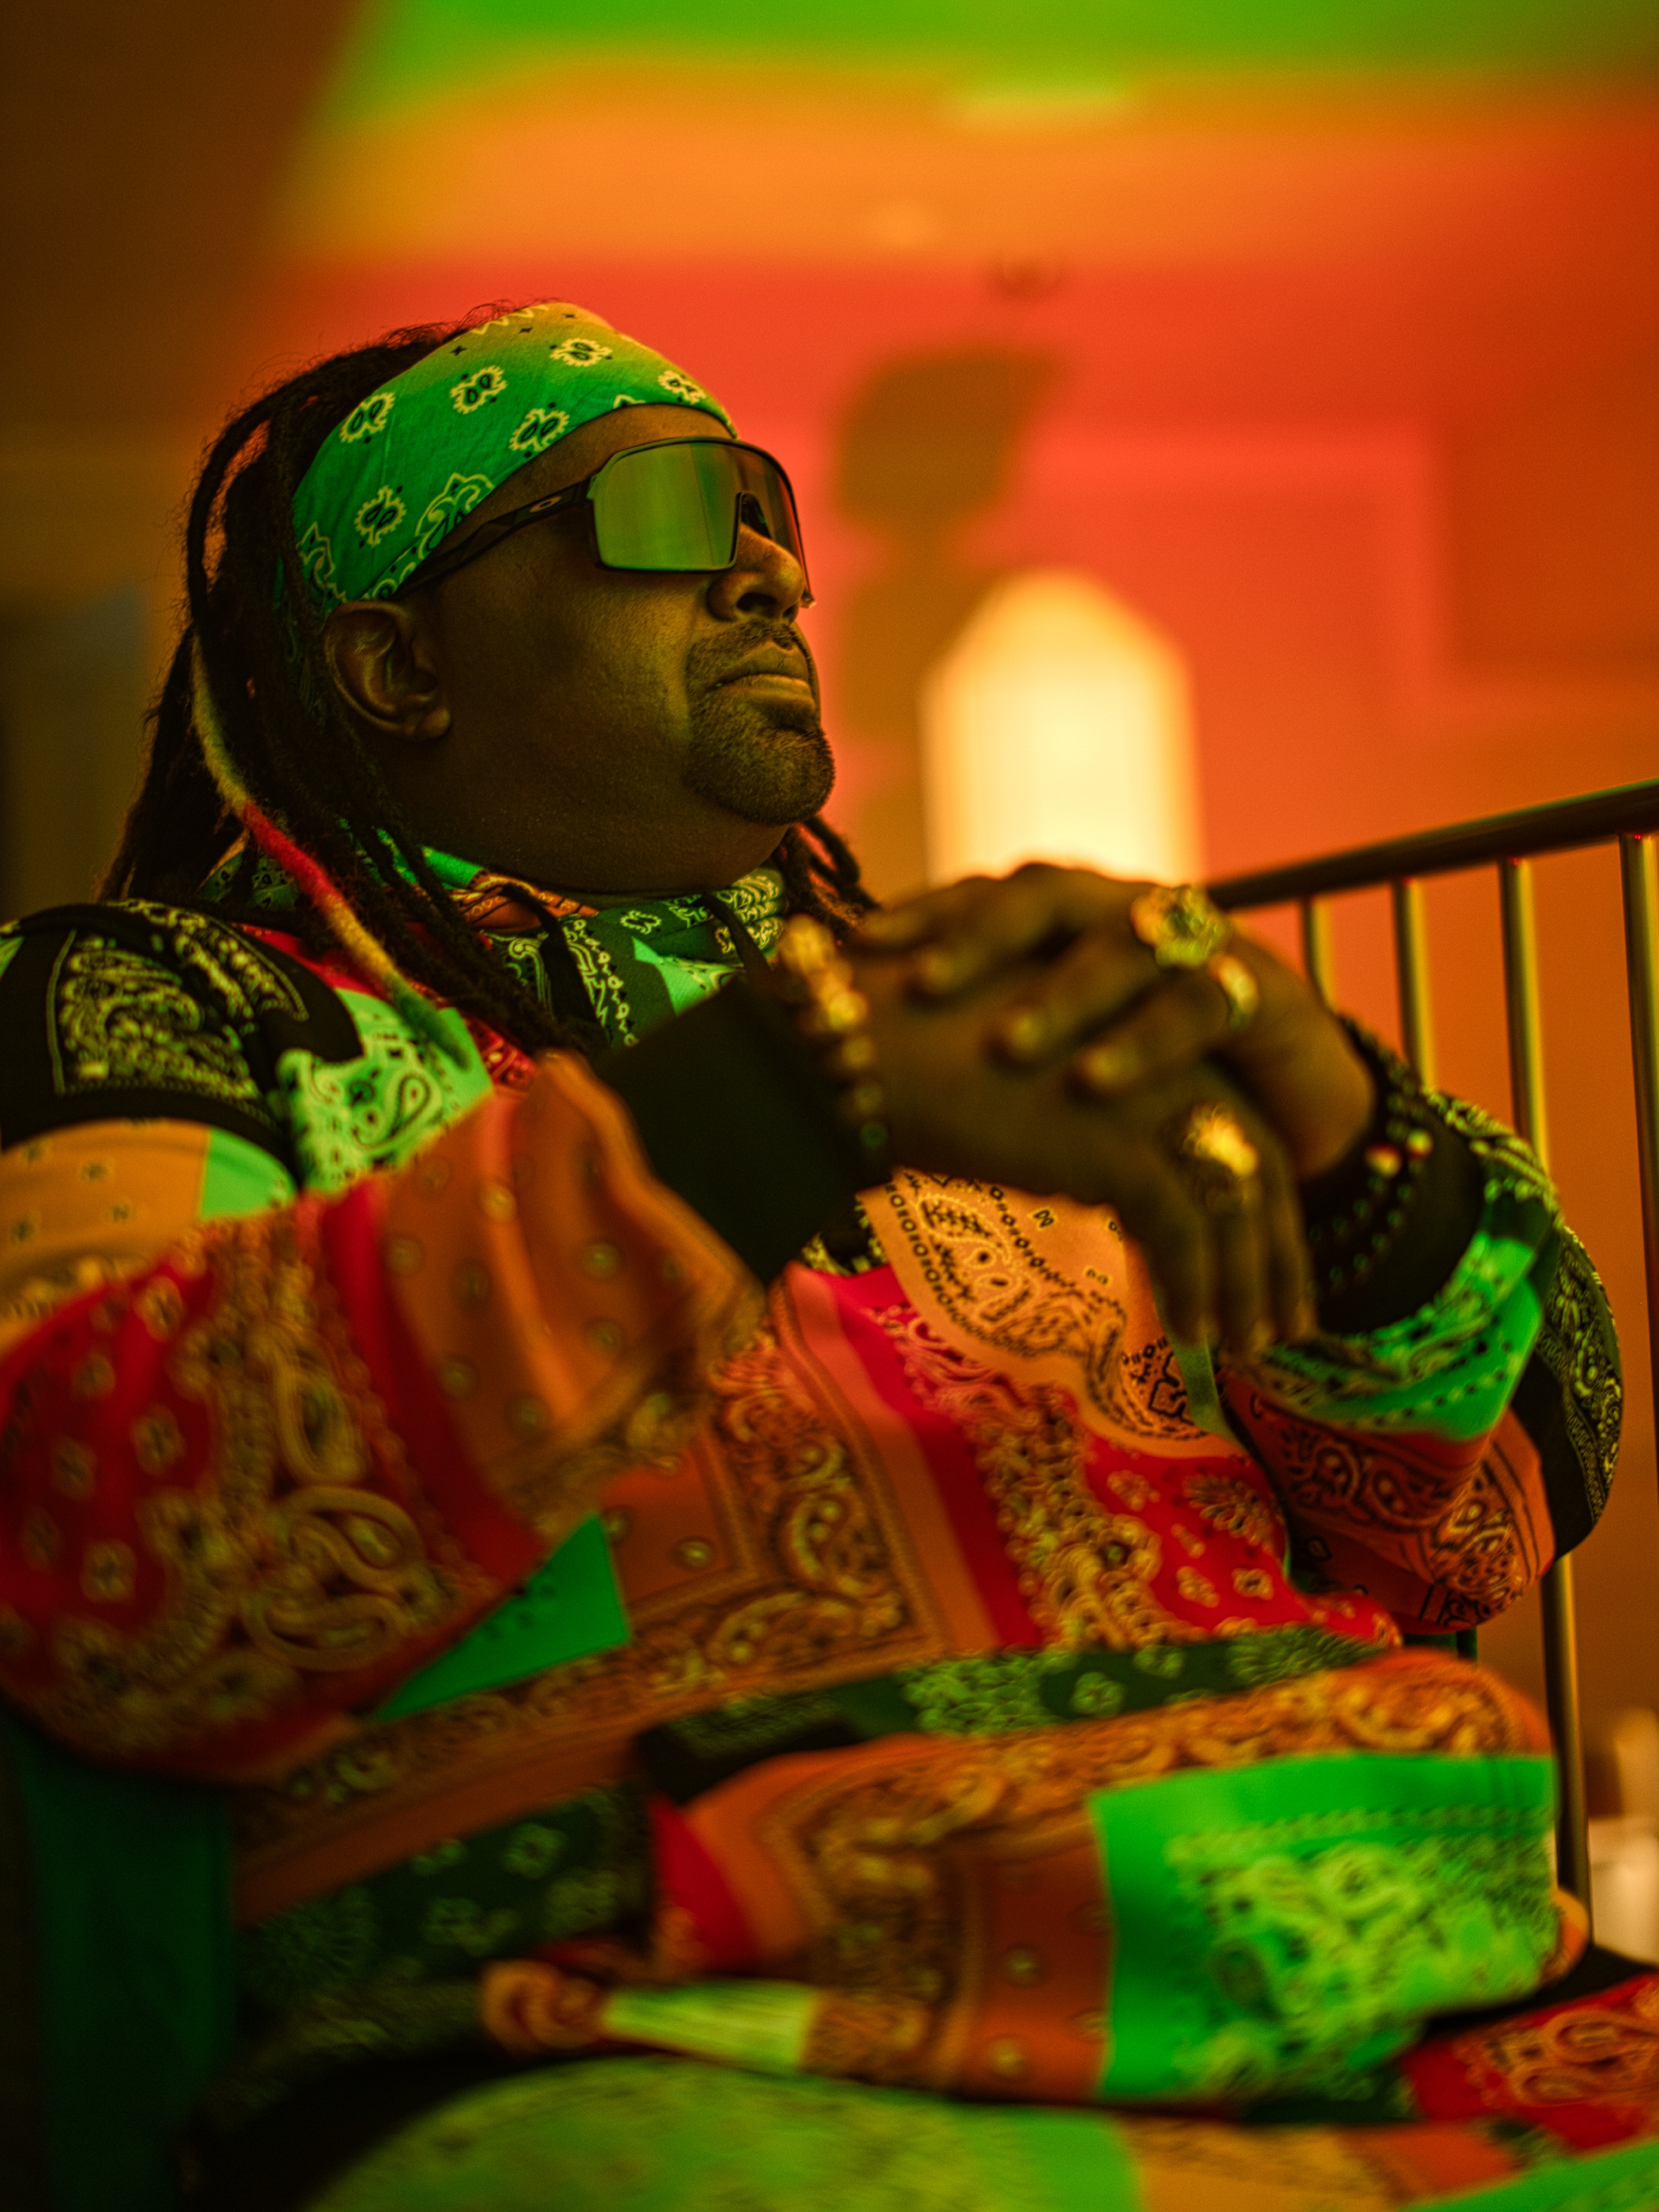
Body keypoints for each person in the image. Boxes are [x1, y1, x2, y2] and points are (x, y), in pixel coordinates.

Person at [0, 301, 1642, 2212]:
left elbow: (1467, 1530)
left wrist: (1349, 1141)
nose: (771, 567)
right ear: (397, 662)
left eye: (766, 507)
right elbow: (109, 1564)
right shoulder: (159, 1004)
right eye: (666, 513)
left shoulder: (983, 1017)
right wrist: (776, 1104)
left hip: (1409, 2002)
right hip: (666, 2049)